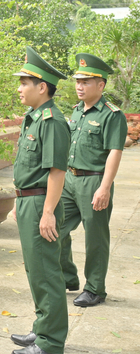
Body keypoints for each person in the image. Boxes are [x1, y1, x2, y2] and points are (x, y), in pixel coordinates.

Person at [9, 46, 70, 354]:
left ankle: (50, 343)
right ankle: (42, 328)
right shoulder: (33, 118)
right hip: (26, 202)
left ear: (42, 87)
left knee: (46, 272)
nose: (19, 88)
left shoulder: (52, 121)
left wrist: (48, 213)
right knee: (36, 271)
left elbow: (57, 172)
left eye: (24, 83)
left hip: (40, 203)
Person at [59, 53, 127, 307]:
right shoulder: (76, 112)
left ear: (101, 85)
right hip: (69, 180)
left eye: (86, 81)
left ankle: (95, 288)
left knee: (95, 239)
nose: (80, 86)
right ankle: (67, 277)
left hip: (94, 182)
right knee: (55, 229)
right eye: (78, 81)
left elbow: (114, 152)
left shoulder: (112, 115)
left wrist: (105, 187)